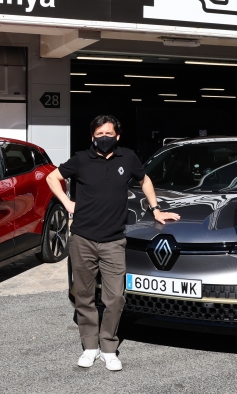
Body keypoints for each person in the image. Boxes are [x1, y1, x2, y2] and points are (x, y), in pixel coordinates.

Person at [46, 115, 180, 371]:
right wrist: (67, 203)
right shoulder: (81, 160)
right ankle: (89, 347)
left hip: (114, 241)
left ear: (117, 136)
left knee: (115, 297)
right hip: (83, 239)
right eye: (99, 134)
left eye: (108, 134)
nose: (103, 138)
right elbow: (52, 178)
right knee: (84, 296)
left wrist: (156, 210)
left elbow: (145, 180)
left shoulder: (127, 158)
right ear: (92, 137)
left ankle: (108, 347)